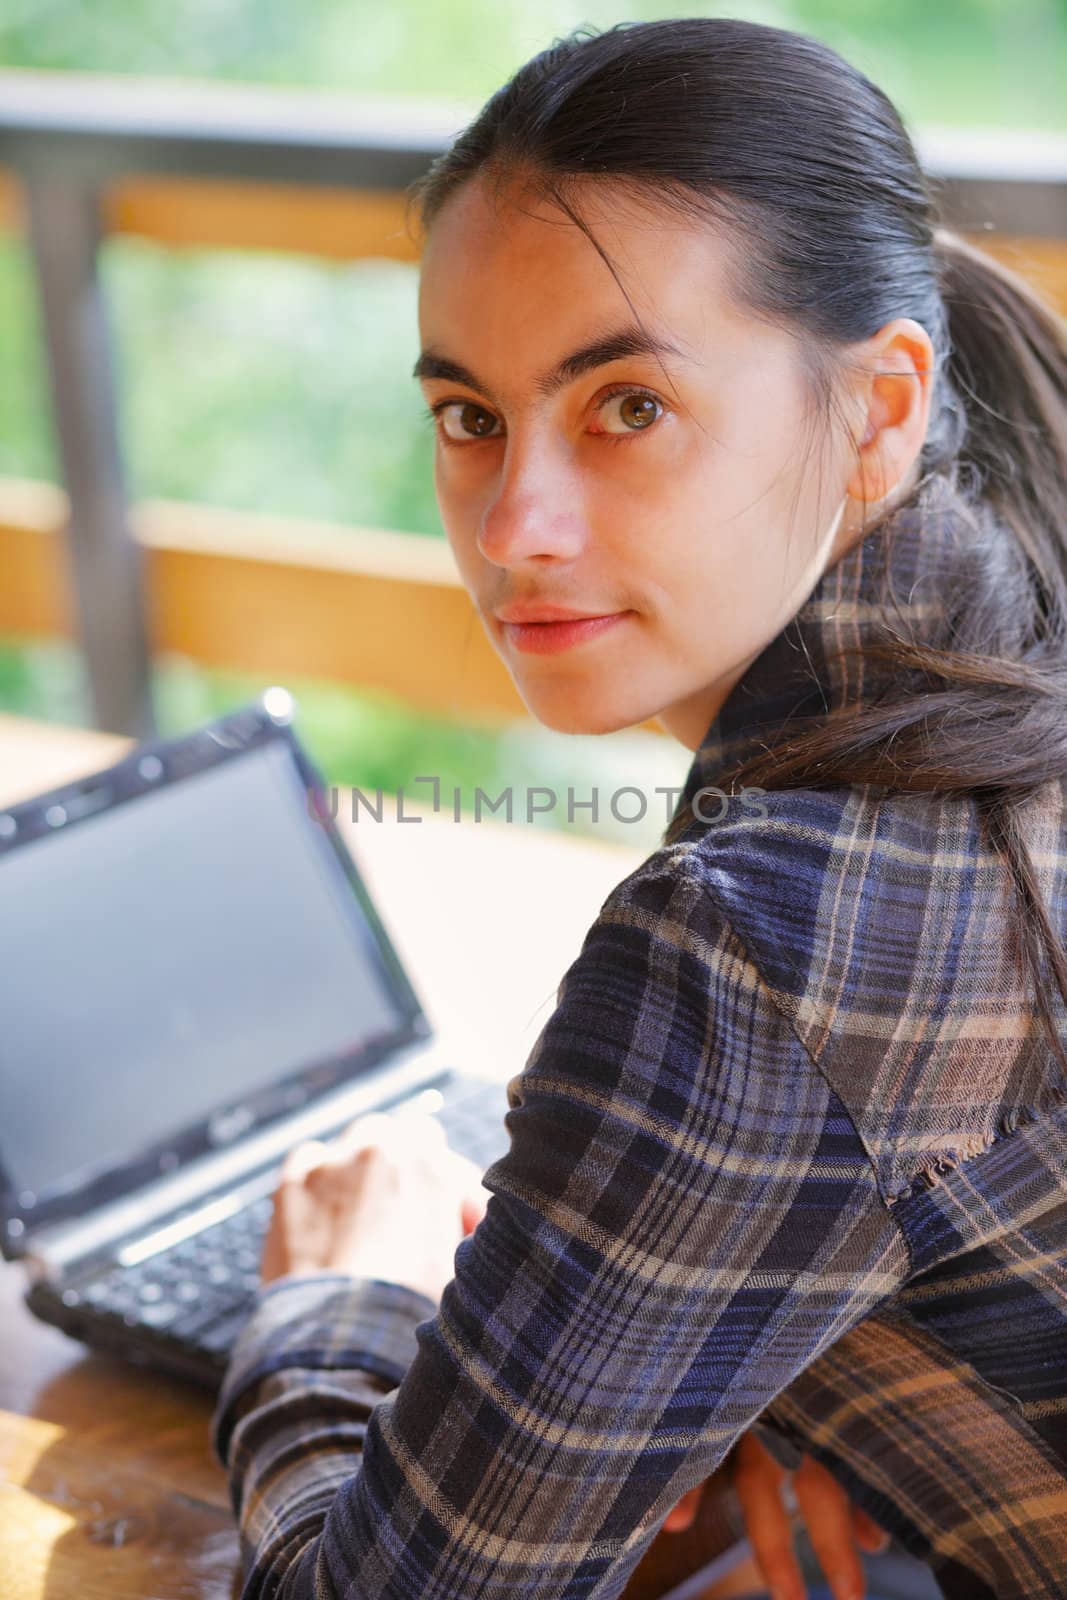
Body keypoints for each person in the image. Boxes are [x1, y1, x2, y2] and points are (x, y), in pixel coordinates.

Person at [209, 17, 1067, 1600]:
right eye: (470, 416)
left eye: (626, 407)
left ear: (881, 410)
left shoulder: (756, 945)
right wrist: (793, 1373)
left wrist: (336, 1303)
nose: (515, 527)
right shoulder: (1023, 616)